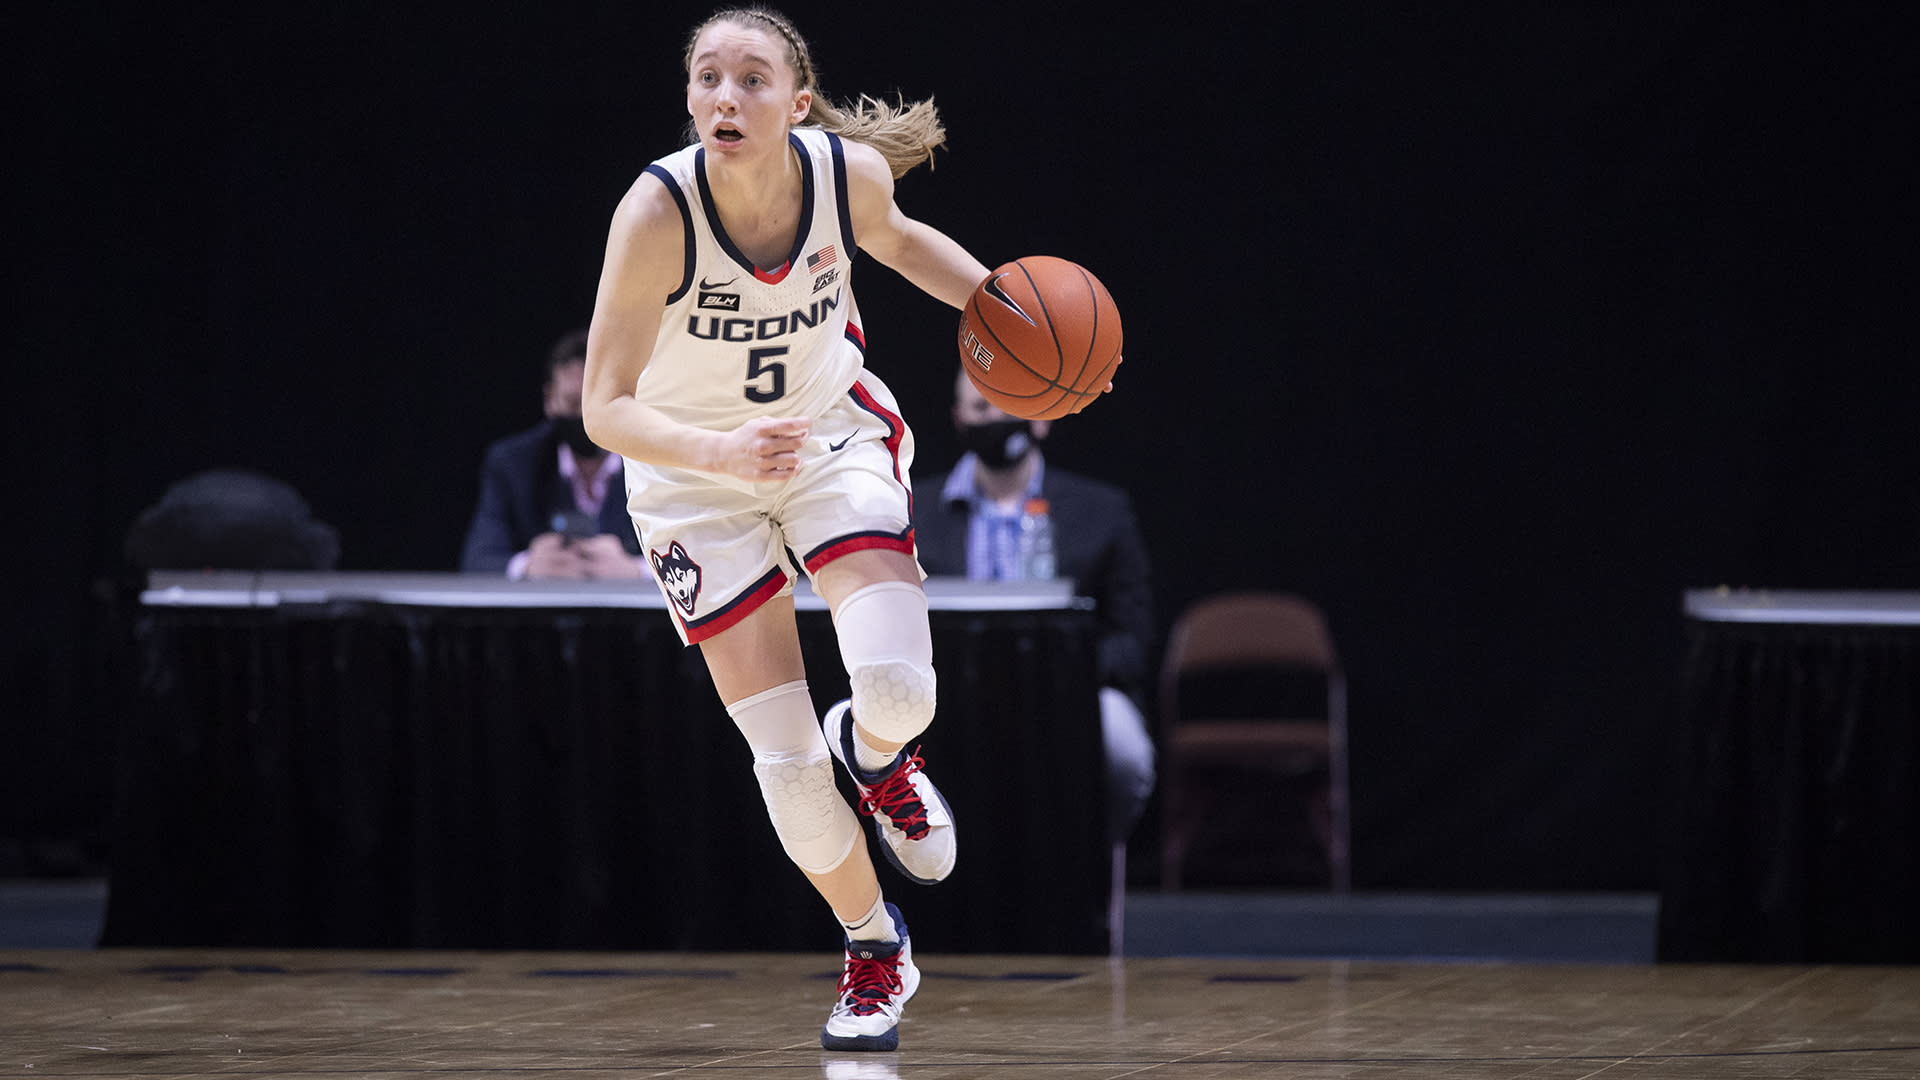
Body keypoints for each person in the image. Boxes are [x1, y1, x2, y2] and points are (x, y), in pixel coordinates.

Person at [582, 6, 1108, 1053]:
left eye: (751, 79)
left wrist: (1028, 332)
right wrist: (724, 454)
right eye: (707, 79)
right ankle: (875, 946)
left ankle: (875, 757)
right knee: (780, 764)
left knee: (903, 691)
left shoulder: (843, 177)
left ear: (798, 100)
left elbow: (906, 246)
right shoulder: (655, 213)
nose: (725, 98)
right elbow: (605, 408)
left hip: (827, 439)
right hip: (696, 479)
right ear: (689, 96)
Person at [912, 369, 1156, 844]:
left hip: (1073, 691)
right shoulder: (913, 510)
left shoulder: (1101, 512)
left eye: (1010, 404)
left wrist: (1068, 673)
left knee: (1122, 749)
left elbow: (1133, 636)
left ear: (1041, 417)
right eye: (982, 407)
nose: (997, 416)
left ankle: (1094, 873)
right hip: (946, 694)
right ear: (959, 419)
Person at [460, 329, 648, 580]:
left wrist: (638, 571)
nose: (585, 417)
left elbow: (698, 560)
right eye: (573, 403)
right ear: (550, 399)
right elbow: (478, 559)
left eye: (595, 404)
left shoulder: (655, 462)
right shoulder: (513, 463)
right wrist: (527, 566)